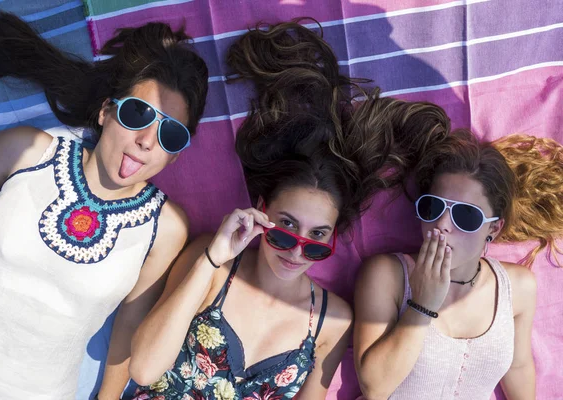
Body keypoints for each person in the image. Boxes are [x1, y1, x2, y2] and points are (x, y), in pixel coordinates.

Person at [127, 20, 451, 400]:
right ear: (261, 211)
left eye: (317, 239)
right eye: (285, 227)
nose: (297, 251)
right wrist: (210, 260)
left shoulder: (333, 319)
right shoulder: (212, 265)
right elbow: (144, 369)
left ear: (333, 237)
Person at [0, 12, 208, 399]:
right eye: (138, 114)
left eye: (170, 134)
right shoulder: (25, 151)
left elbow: (126, 331)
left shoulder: (165, 228)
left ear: (175, 156)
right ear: (106, 111)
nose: (147, 140)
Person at [354, 129, 563, 399]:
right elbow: (374, 388)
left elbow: (519, 367)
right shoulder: (386, 275)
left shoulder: (517, 287)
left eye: (465, 215)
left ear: (494, 228)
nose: (441, 225)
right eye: (433, 207)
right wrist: (422, 306)